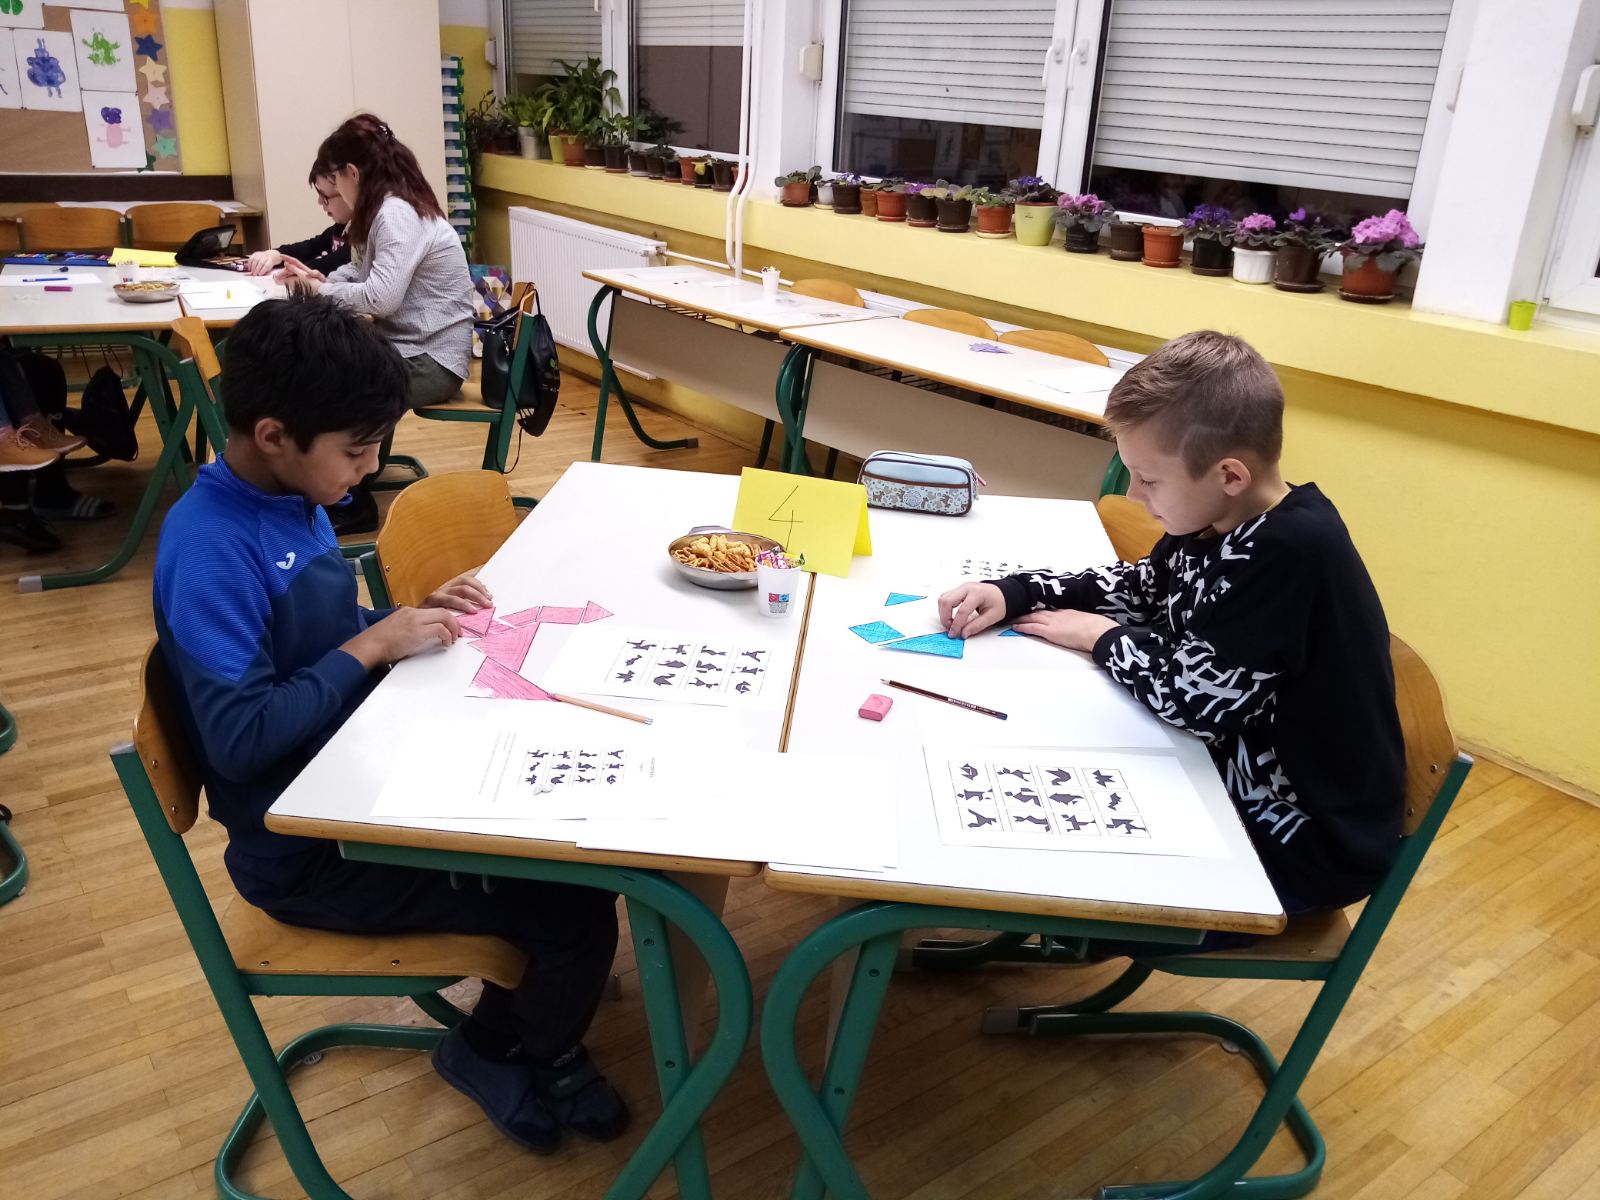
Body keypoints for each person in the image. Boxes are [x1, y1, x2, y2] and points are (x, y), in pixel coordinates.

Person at [153, 295, 628, 1154]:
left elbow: (312, 633)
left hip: (355, 779)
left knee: (571, 832)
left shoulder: (288, 493)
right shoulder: (210, 549)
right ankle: (500, 1049)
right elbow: (241, 739)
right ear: (274, 434)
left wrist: (399, 616)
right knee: (577, 905)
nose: (370, 467)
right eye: (356, 449)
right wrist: (373, 643)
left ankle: (530, 1020)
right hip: (305, 851)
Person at [939, 330, 1405, 949]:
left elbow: (1193, 700)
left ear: (1229, 474)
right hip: (1221, 775)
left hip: (1295, 842)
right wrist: (1018, 591)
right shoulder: (1217, 516)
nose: (1134, 495)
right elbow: (1143, 589)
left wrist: (1102, 637)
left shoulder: (1289, 552)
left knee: (1048, 837)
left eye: (1149, 480)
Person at [273, 114, 473, 535]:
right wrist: (320, 281)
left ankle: (351, 500)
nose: (333, 191)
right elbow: (359, 272)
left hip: (433, 360)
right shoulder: (381, 210)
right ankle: (337, 484)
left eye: (333, 180)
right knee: (331, 368)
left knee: (340, 386)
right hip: (405, 349)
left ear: (351, 172)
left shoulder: (396, 213)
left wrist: (319, 291)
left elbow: (381, 297)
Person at [246, 168, 352, 278]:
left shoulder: (362, 236)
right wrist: (275, 254)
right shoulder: (340, 227)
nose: (320, 201)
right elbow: (311, 247)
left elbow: (334, 262)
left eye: (325, 195)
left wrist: (293, 269)